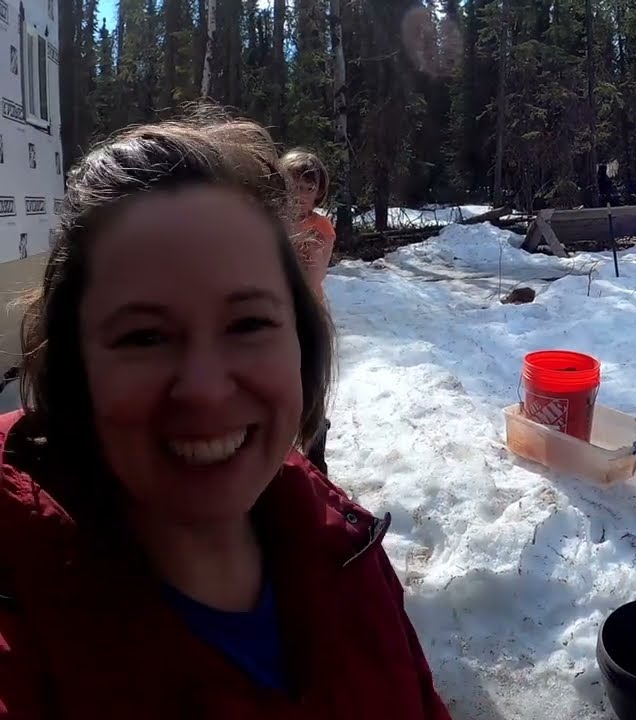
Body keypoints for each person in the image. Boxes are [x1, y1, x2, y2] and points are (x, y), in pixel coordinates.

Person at [0, 111, 452, 719]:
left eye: (248, 324)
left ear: (301, 341)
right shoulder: (20, 598)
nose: (207, 391)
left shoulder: (344, 552)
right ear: (73, 363)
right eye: (143, 336)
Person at [279, 148, 335, 474]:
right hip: (274, 317)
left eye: (308, 188)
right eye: (293, 185)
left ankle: (317, 467)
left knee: (311, 387)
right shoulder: (270, 221)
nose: (300, 195)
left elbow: (315, 275)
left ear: (318, 192)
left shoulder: (320, 227)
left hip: (308, 316)